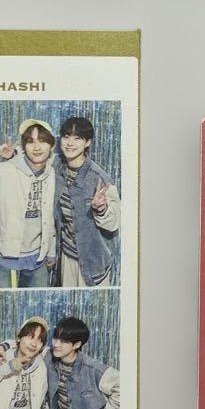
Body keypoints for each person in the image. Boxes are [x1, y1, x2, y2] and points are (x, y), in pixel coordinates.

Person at [0, 119, 60, 288]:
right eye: (31, 141)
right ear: (23, 146)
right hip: (3, 257)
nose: (37, 147)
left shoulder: (52, 174)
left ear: (52, 145)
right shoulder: (2, 171)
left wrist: (51, 251)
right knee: (0, 303)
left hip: (38, 259)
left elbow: (49, 215)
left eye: (42, 141)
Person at [55, 116, 121, 288]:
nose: (70, 143)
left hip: (93, 263)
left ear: (87, 142)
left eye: (77, 138)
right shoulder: (57, 167)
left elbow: (114, 223)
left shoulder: (99, 178)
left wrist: (101, 209)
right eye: (66, 137)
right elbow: (36, 160)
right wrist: (13, 155)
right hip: (67, 256)